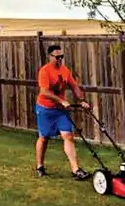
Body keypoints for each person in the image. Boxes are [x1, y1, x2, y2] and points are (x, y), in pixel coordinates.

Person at [34, 44, 91, 180]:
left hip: (60, 111)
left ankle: (75, 169)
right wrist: (60, 100)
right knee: (44, 138)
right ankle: (40, 166)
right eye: (57, 57)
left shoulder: (65, 70)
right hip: (45, 109)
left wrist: (82, 100)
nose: (60, 59)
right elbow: (44, 92)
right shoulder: (45, 71)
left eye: (62, 57)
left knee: (68, 136)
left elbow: (74, 86)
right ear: (50, 56)